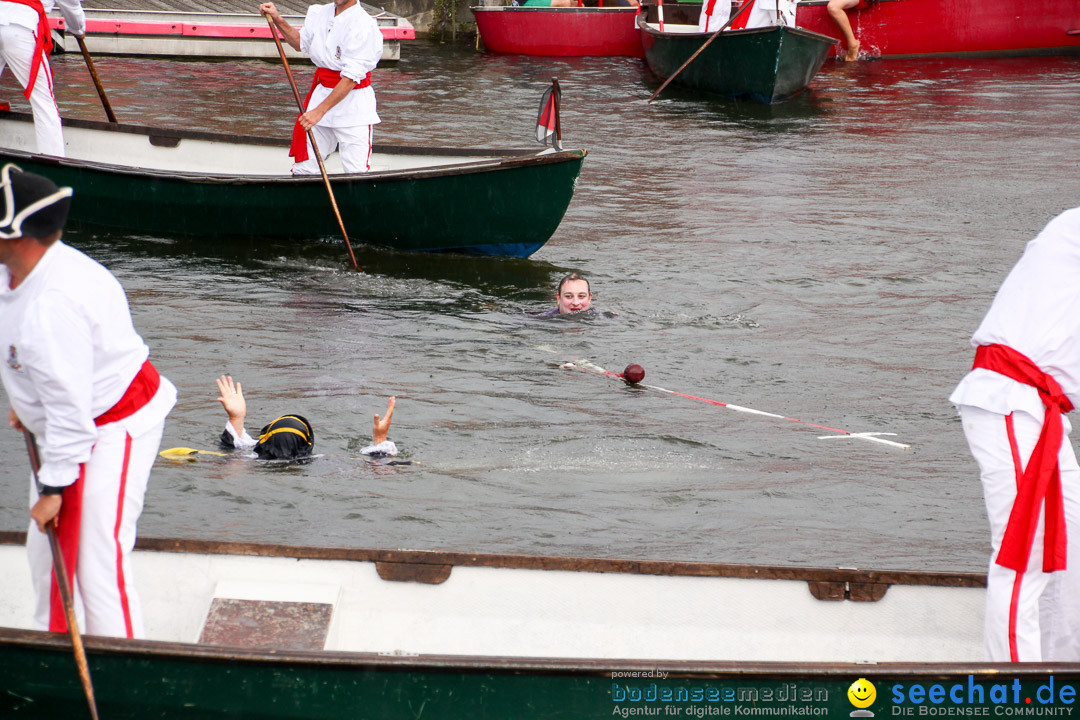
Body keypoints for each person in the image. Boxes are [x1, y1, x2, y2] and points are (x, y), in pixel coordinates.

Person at [0, 163, 177, 639]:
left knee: (97, 560)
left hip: (114, 422)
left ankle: (126, 672)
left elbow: (71, 414)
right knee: (45, 554)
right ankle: (50, 651)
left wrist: (54, 490)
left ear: (18, 237)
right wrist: (26, 399)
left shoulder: (53, 304)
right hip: (69, 415)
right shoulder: (17, 271)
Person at [949, 207, 1080, 662]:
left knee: (1071, 553)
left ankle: (1061, 673)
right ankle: (1014, 693)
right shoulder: (1072, 228)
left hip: (1044, 415)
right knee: (1024, 555)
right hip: (1012, 399)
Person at [259, 0, 382, 175]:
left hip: (353, 105)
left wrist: (319, 112)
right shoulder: (319, 13)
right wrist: (278, 20)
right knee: (305, 168)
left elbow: (350, 78)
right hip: (321, 94)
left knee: (356, 170)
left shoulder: (363, 24)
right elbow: (300, 43)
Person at [215, 374, 398, 459]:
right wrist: (380, 439)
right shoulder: (323, 461)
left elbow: (233, 449)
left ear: (262, 444)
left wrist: (236, 419)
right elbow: (374, 466)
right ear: (308, 447)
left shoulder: (249, 460)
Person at [0, 0, 87, 156]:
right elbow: (71, 5)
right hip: (20, 26)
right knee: (43, 100)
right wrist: (78, 29)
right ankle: (53, 160)